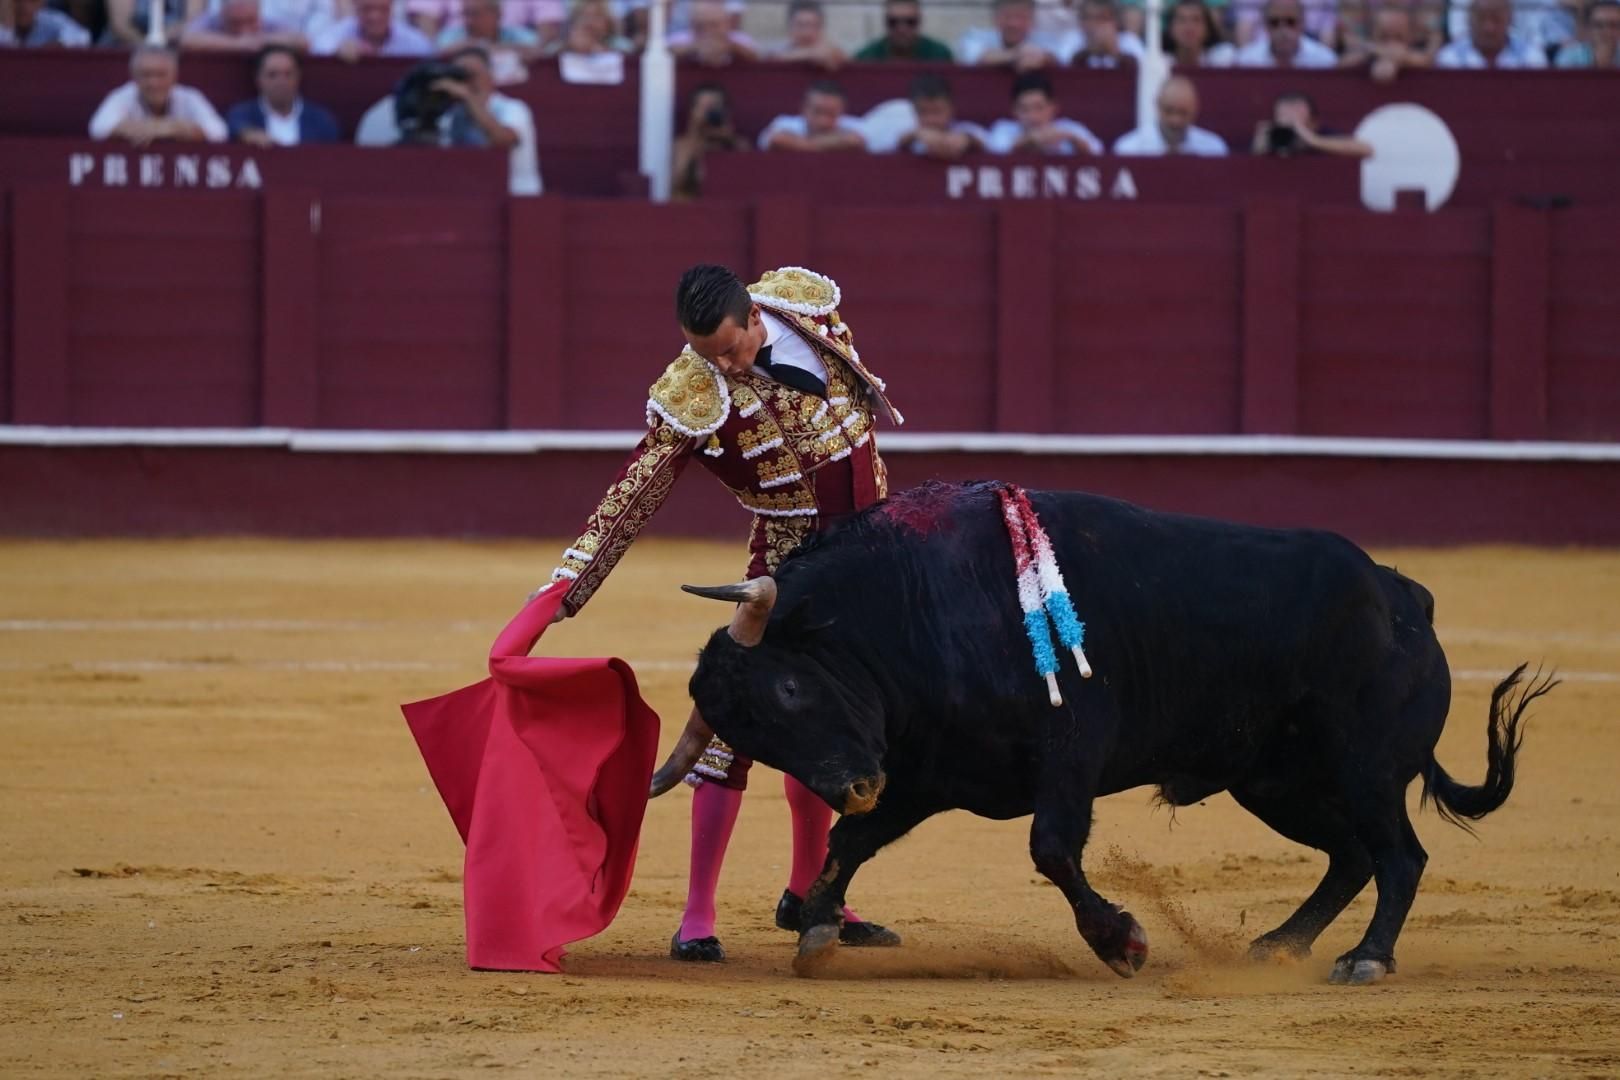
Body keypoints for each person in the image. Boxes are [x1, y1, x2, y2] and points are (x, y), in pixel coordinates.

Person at [539, 264, 905, 963]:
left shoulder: (807, 312)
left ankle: (810, 893)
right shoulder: (696, 390)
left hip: (867, 569)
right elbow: (635, 491)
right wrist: (567, 584)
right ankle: (697, 915)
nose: (728, 366)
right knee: (726, 730)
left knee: (831, 727)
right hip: (783, 573)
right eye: (711, 356)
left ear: (755, 319)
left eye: (733, 350)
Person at [432, 46, 543, 194]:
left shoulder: (513, 108)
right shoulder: (448, 115)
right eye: (460, 75)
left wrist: (468, 97)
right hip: (466, 195)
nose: (467, 80)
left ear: (490, 75)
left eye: (472, 74)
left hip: (515, 194)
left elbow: (503, 140)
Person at [88, 43, 228, 145]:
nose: (153, 83)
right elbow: (98, 128)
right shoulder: (122, 96)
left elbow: (219, 132)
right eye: (146, 75)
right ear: (134, 77)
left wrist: (168, 128)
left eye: (161, 75)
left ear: (174, 76)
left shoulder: (190, 97)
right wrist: (147, 128)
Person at [226, 44, 341, 146]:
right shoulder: (242, 114)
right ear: (258, 79)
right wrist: (247, 134)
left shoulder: (321, 120)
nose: (281, 82)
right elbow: (233, 128)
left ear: (298, 77)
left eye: (288, 74)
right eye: (272, 75)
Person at [985, 69, 1104, 155]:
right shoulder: (1004, 129)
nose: (1032, 116)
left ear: (1053, 107)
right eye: (1024, 109)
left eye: (1039, 107)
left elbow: (1098, 152)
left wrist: (1070, 138)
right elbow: (995, 150)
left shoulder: (1069, 128)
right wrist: (1030, 141)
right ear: (1014, 110)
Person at [1112, 74, 1228, 155]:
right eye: (1169, 110)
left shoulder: (1213, 149)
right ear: (1157, 105)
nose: (1175, 120)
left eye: (1183, 113)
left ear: (1195, 110)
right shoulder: (1128, 149)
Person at [672, 82, 750, 199]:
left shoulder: (738, 144)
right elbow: (679, 183)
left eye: (714, 107)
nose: (708, 113)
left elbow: (748, 178)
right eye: (703, 107)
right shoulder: (680, 146)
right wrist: (697, 136)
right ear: (692, 112)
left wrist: (728, 139)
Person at [1250, 90, 1372, 158]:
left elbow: (1366, 149)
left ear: (1314, 122)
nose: (1289, 121)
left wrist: (1313, 140)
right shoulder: (1273, 135)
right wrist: (1258, 149)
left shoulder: (1321, 135)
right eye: (1283, 115)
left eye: (1297, 115)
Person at [757, 80, 868, 152]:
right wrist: (836, 144)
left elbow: (856, 141)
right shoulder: (784, 123)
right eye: (817, 111)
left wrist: (801, 145)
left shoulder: (854, 125)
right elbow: (776, 139)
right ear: (804, 108)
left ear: (842, 111)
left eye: (831, 113)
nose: (823, 121)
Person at [895, 73, 988, 158]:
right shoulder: (907, 132)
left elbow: (989, 143)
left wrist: (968, 140)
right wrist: (915, 135)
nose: (931, 119)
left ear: (951, 109)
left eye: (937, 111)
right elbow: (892, 143)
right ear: (914, 110)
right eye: (923, 112)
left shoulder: (967, 130)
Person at [959, 0, 1066, 68]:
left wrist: (1043, 58)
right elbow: (973, 57)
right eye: (1007, 16)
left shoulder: (1046, 39)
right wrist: (1016, 55)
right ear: (995, 18)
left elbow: (1058, 59)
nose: (1013, 24)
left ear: (1032, 20)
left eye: (1021, 17)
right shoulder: (975, 36)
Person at [1436, 0, 1547, 65]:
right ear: (1468, 20)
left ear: (1510, 19)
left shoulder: (1531, 57)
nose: (1488, 27)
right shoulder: (1449, 58)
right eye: (1481, 19)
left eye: (1496, 19)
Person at [312, 0, 433, 58]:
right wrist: (336, 51)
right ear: (356, 6)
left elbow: (428, 56)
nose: (375, 16)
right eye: (367, 9)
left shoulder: (414, 41)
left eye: (382, 9)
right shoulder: (337, 34)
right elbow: (317, 50)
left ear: (392, 7)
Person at [1234, 0, 1337, 66]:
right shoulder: (1247, 60)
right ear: (1265, 25)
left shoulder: (1324, 60)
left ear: (1302, 23)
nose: (1283, 30)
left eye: (1290, 22)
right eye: (1274, 23)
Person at [179, 0, 305, 52]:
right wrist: (239, 44)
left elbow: (302, 42)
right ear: (222, 15)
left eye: (250, 21)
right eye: (236, 23)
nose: (245, 30)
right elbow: (185, 39)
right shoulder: (210, 20)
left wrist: (260, 42)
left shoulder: (268, 23)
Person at [854, 0, 954, 60]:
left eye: (910, 22)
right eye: (893, 22)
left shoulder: (939, 55)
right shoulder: (867, 57)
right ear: (885, 22)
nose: (902, 29)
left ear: (920, 21)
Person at [667, 0, 757, 66]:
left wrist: (730, 46)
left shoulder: (740, 39)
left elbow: (755, 58)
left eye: (714, 25)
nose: (707, 30)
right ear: (692, 24)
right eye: (700, 26)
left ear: (727, 23)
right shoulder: (679, 39)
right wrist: (694, 47)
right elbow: (666, 53)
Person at [768, 0, 846, 68]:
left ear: (821, 29)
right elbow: (772, 61)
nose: (806, 33)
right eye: (800, 25)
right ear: (789, 27)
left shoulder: (831, 51)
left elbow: (835, 57)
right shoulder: (777, 50)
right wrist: (809, 54)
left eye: (812, 25)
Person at [1165, 0, 1236, 65]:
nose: (1189, 26)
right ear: (1170, 29)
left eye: (1196, 20)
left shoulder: (1223, 59)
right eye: (1182, 20)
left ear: (1208, 29)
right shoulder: (1160, 61)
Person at [1556, 0, 1620, 65]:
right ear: (1588, 28)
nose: (1606, 32)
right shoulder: (1570, 55)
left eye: (1613, 25)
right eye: (1599, 25)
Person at [3, 0, 92, 45]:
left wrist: (60, 44)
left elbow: (83, 36)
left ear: (41, 3)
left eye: (31, 1)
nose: (24, 7)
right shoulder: (2, 24)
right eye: (18, 1)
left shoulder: (50, 20)